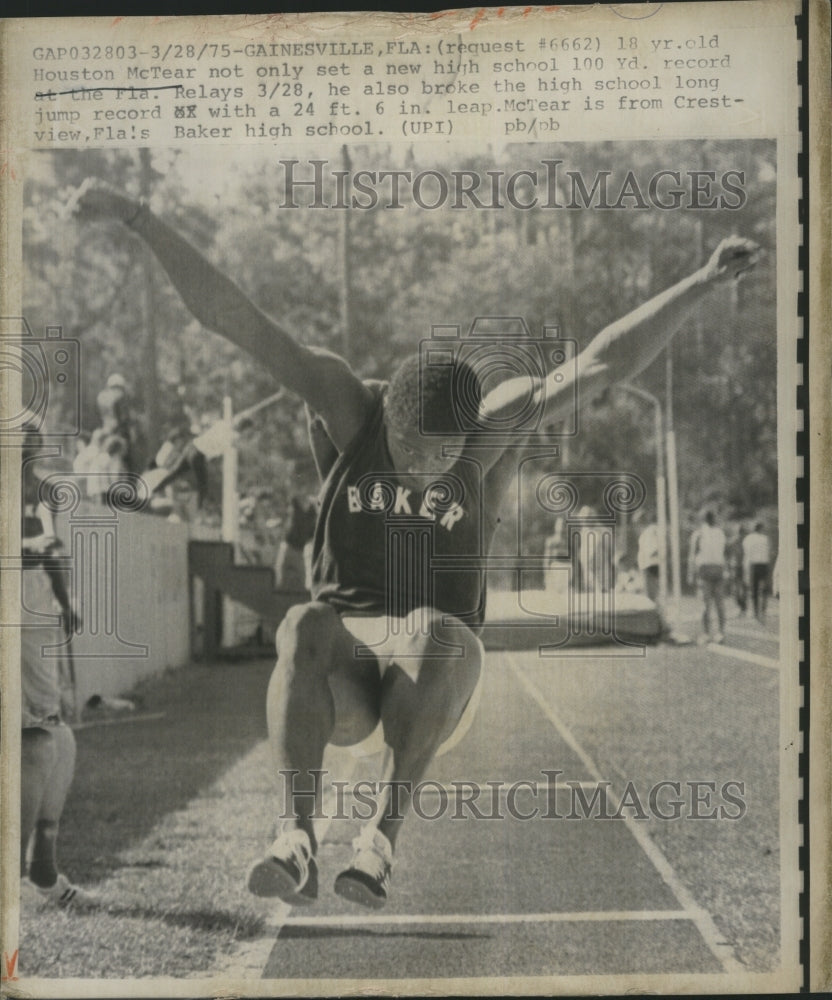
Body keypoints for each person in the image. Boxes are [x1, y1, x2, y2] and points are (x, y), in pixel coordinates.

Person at [70, 177, 759, 909]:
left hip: (429, 677)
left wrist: (702, 281)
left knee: (434, 631)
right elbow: (236, 319)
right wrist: (137, 216)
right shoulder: (348, 405)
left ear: (469, 438)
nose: (428, 468)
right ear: (384, 420)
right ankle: (294, 840)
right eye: (410, 452)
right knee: (302, 620)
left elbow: (600, 364)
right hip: (346, 677)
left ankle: (378, 843)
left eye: (443, 456)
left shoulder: (490, 433)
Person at [20, 425, 99, 909]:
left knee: (59, 741)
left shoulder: (41, 488)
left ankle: (42, 876)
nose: (31, 444)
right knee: (37, 746)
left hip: (34, 611)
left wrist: (66, 602)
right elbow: (36, 548)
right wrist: (33, 551)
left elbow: (51, 547)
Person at [688, 510, 728, 644]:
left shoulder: (698, 534)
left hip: (705, 569)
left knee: (706, 603)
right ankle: (720, 633)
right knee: (719, 603)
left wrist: (691, 574)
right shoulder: (720, 533)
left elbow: (693, 556)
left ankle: (706, 633)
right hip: (718, 568)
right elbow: (724, 552)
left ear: (703, 520)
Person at [742, 521, 771, 622]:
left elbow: (747, 554)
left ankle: (755, 612)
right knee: (763, 589)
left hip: (753, 565)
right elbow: (767, 553)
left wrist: (746, 568)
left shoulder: (748, 539)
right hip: (763, 565)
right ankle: (763, 610)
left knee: (754, 589)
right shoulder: (765, 538)